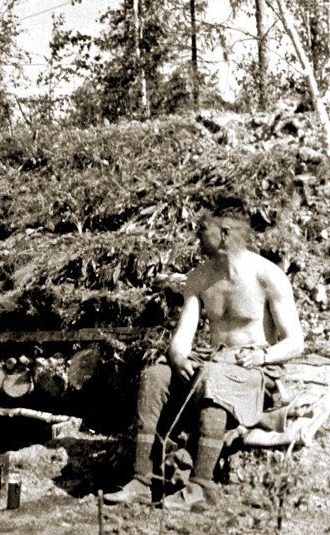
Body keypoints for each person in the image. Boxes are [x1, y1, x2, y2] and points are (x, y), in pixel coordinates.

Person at [104, 201, 304, 510]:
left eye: (203, 230)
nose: (197, 236)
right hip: (214, 362)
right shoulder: (198, 278)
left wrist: (261, 358)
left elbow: (295, 343)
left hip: (252, 367)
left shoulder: (267, 276)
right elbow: (183, 336)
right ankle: (143, 481)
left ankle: (201, 487)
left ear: (224, 234)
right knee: (155, 375)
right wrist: (179, 357)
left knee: (214, 378)